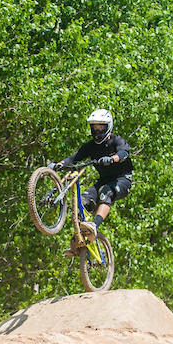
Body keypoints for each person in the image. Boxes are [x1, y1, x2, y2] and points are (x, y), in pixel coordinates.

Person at [49, 108, 133, 254]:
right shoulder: (90, 146)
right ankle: (79, 242)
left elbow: (124, 153)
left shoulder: (116, 140)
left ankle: (94, 225)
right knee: (79, 202)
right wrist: (59, 164)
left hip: (122, 180)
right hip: (103, 180)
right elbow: (74, 158)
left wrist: (112, 159)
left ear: (109, 127)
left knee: (105, 193)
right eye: (95, 128)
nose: (98, 132)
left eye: (101, 128)